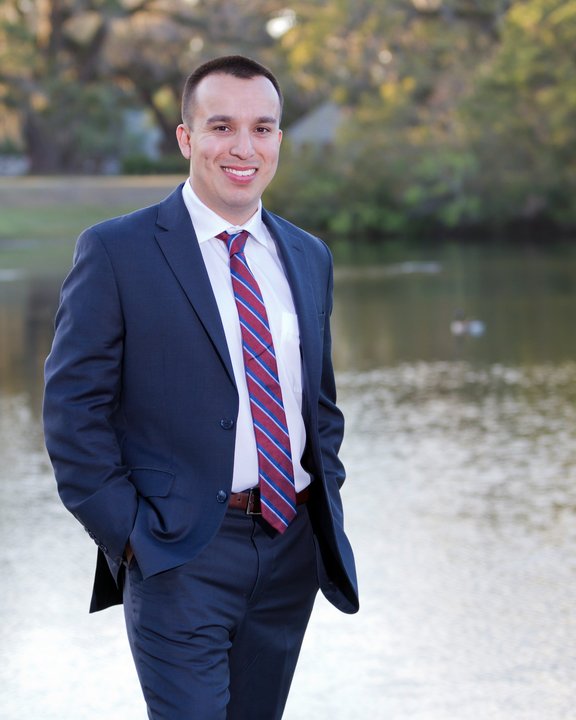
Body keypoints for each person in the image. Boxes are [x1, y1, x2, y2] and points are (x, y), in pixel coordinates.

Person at [43, 54, 358, 720]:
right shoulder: (117, 251)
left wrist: (322, 496)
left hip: (290, 547)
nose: (244, 147)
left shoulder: (309, 255)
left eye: (262, 128)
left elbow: (319, 407)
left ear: (279, 139)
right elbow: (73, 413)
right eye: (222, 127)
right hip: (178, 553)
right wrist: (132, 537)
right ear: (186, 138)